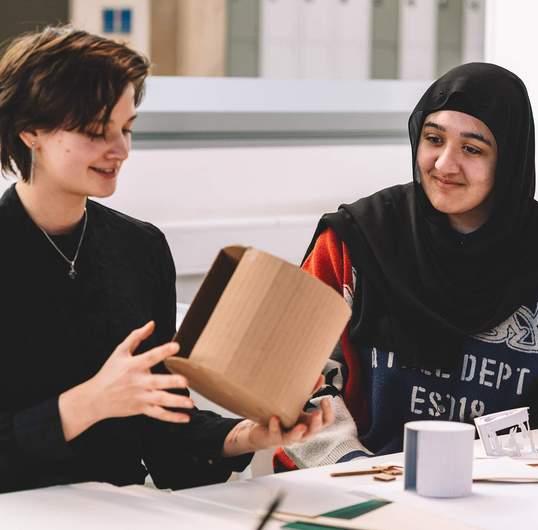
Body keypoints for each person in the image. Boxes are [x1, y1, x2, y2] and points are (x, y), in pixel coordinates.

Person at [0, 26, 331, 493]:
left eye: (126, 128)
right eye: (96, 131)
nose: (120, 150)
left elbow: (166, 433)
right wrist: (87, 403)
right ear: (29, 130)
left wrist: (251, 434)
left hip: (120, 510)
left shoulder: (139, 248)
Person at [275, 63, 538, 470]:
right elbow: (291, 379)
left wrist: (506, 483)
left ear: (509, 158)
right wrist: (359, 472)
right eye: (433, 139)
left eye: (472, 149)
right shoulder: (354, 242)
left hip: (504, 494)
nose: (444, 165)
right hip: (355, 485)